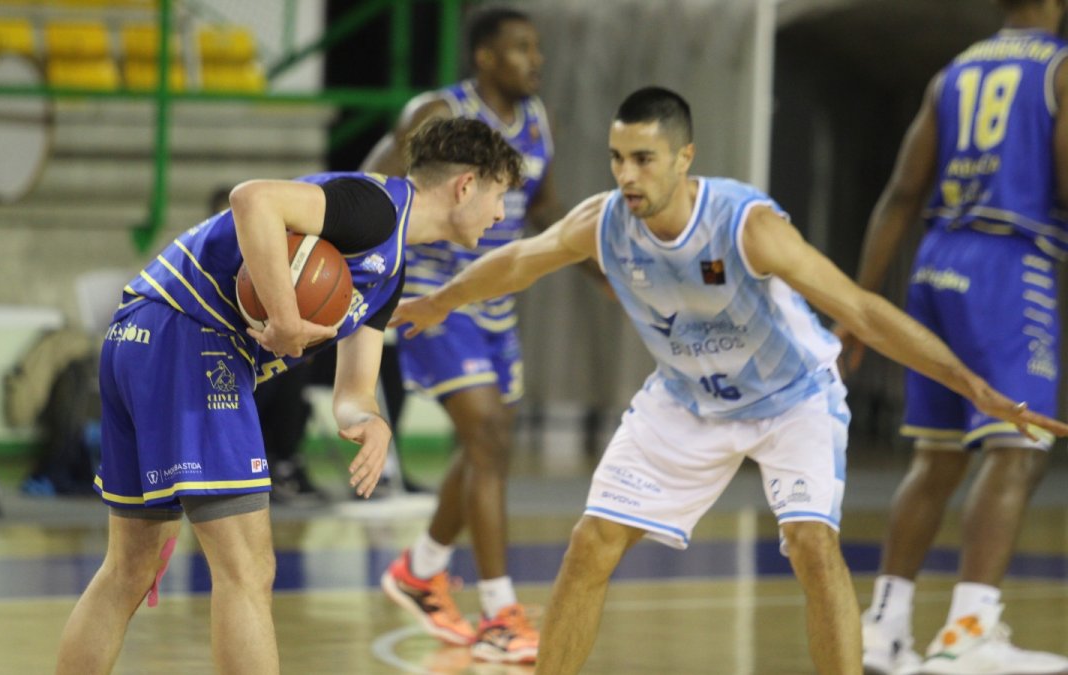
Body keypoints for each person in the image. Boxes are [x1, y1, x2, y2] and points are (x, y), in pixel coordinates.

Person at [388, 86, 1068, 675]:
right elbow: (517, 261)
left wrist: (971, 384)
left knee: (811, 543)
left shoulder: (746, 225)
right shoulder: (603, 222)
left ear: (685, 158)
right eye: (617, 158)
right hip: (688, 398)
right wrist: (440, 300)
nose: (627, 174)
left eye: (644, 158)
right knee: (590, 542)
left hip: (792, 397)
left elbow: (860, 310)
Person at [53, 116, 522, 675]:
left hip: (137, 334)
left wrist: (367, 420)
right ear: (466, 185)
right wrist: (285, 320)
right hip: (190, 334)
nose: (501, 214)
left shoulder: (391, 268)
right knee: (248, 570)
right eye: (499, 197)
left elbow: (353, 390)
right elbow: (252, 200)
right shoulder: (373, 207)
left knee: (130, 568)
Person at [840, 2, 1068, 673]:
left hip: (935, 264)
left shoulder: (953, 72)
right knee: (1021, 442)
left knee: (936, 457)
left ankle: (885, 624)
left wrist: (858, 303)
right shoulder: (1058, 68)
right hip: (1007, 261)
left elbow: (902, 192)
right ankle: (969, 627)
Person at [363, 7, 560, 663]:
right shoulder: (440, 110)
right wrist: (364, 272)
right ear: (484, 57)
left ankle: (421, 569)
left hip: (497, 303)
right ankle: (499, 610)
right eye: (520, 49)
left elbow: (547, 209)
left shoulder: (536, 122)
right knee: (487, 436)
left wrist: (606, 268)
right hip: (433, 298)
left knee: (487, 448)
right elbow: (373, 183)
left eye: (536, 48)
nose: (535, 59)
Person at [208, 186, 325, 505]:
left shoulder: (270, 260)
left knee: (294, 371)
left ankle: (282, 462)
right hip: (218, 355)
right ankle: (244, 461)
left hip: (263, 350)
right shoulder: (208, 260)